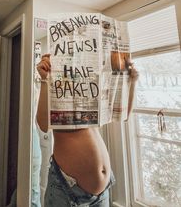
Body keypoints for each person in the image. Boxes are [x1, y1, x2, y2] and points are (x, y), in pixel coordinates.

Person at [37, 54, 139, 207]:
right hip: (67, 190)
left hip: (103, 192)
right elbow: (43, 124)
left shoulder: (90, 86)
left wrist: (132, 82)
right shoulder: (56, 83)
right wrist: (45, 80)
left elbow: (123, 115)